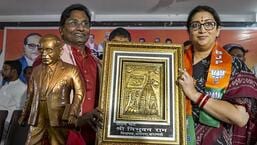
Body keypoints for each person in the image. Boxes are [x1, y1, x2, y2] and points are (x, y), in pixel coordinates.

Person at [177, 5, 257, 145]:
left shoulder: (235, 65)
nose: (202, 30)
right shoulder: (173, 62)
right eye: (195, 25)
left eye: (209, 24)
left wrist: (195, 95)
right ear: (189, 31)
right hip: (175, 138)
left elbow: (240, 117)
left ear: (218, 30)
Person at [19, 34, 85, 145]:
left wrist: (73, 113)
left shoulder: (70, 70)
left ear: (60, 51)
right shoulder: (35, 71)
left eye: (49, 50)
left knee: (57, 142)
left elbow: (79, 92)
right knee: (31, 142)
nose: (44, 54)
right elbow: (30, 95)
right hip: (37, 116)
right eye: (41, 50)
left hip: (58, 116)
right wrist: (24, 115)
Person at [58, 4, 103, 145]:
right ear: (61, 30)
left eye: (85, 23)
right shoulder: (51, 59)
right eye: (73, 23)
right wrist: (77, 120)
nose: (81, 28)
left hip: (95, 135)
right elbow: (42, 104)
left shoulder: (98, 63)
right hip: (62, 137)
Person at [0, 60, 27, 141]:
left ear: (14, 71)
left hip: (6, 125)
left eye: (5, 69)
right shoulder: (5, 85)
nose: (2, 71)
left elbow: (18, 113)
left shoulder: (22, 88)